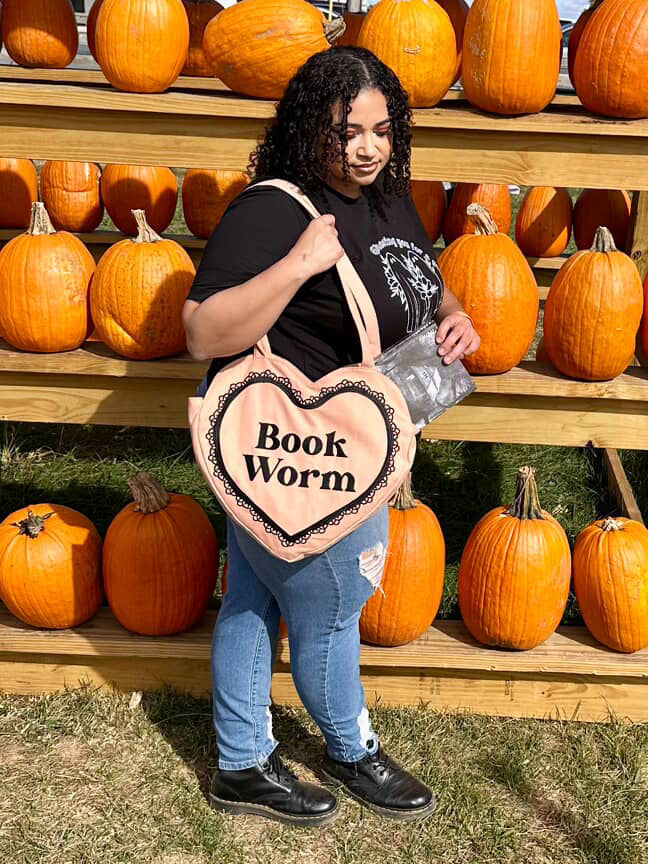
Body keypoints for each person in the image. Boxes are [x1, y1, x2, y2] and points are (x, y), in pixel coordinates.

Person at [182, 45, 480, 828]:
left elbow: (417, 274)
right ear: (310, 126)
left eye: (382, 131)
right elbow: (203, 330)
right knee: (334, 608)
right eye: (349, 132)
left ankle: (241, 763)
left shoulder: (388, 197)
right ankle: (351, 749)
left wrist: (451, 313)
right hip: (310, 453)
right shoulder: (271, 212)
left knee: (251, 597)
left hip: (333, 444)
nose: (368, 148)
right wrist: (298, 264)